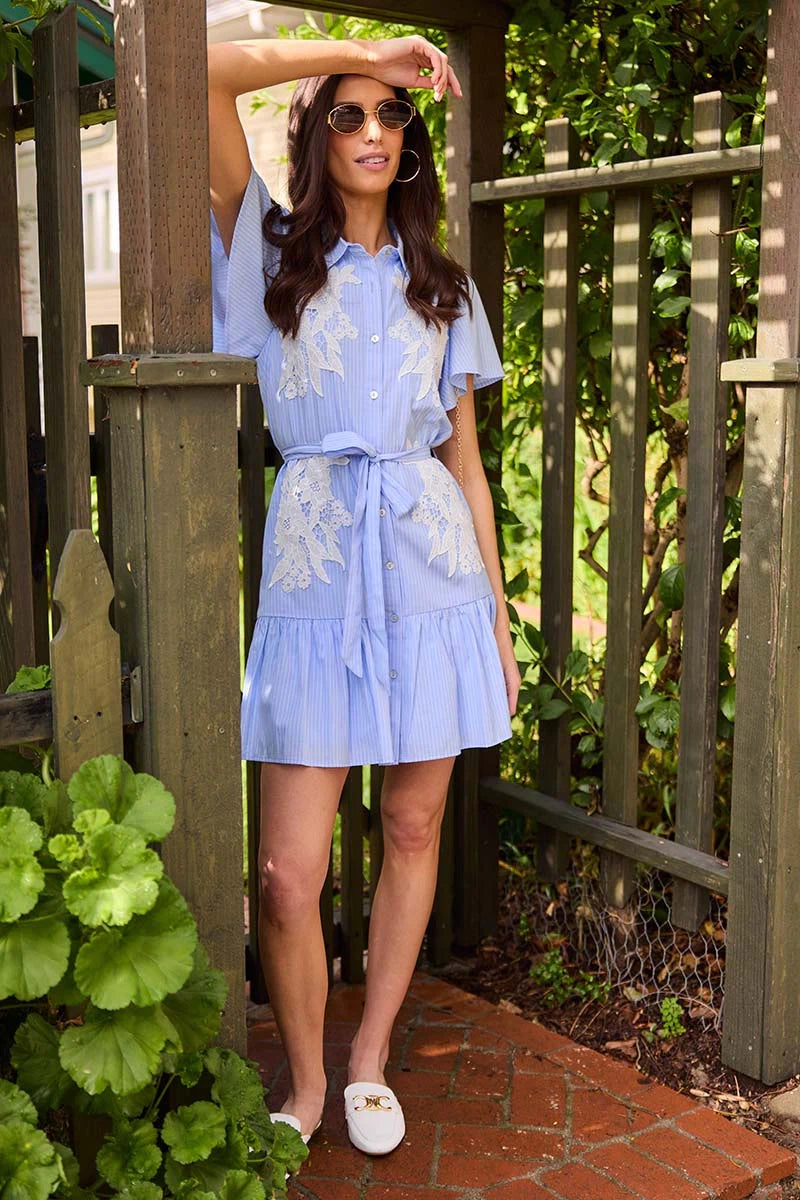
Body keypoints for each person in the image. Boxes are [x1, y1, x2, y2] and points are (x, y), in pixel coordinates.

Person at [207, 32, 521, 1162]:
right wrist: (364, 49)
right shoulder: (269, 252)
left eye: (391, 115)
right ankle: (301, 1082)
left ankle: (370, 1058)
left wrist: (495, 620)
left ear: (412, 145)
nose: (373, 131)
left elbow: (465, 465)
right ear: (317, 135)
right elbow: (203, 72)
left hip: (433, 578)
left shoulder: (445, 287)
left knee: (412, 822)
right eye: (348, 113)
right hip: (313, 575)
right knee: (288, 873)